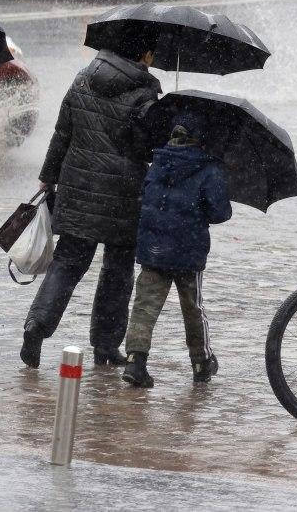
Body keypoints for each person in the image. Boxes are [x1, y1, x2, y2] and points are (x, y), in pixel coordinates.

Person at [21, 30, 162, 368]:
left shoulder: (84, 79)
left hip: (77, 187)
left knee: (68, 264)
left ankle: (36, 326)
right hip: (124, 197)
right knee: (117, 272)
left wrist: (47, 178)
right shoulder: (144, 93)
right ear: (143, 55)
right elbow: (146, 150)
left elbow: (62, 133)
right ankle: (105, 346)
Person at [122, 112, 232, 388]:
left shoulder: (157, 161)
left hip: (153, 248)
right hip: (188, 251)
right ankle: (201, 362)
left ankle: (135, 361)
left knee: (144, 307)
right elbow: (220, 212)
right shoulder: (209, 168)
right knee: (193, 309)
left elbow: (144, 198)